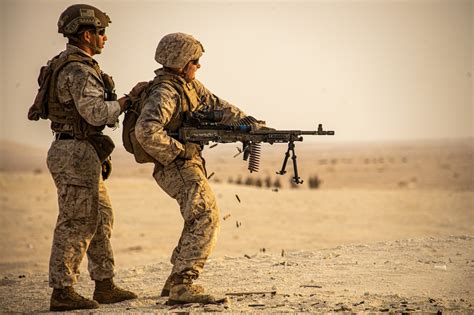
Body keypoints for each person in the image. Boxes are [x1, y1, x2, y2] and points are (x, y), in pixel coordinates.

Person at [134, 32, 268, 305]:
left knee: (197, 216)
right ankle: (183, 284)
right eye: (195, 60)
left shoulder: (189, 86)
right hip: (175, 165)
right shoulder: (165, 93)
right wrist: (180, 151)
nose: (198, 65)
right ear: (181, 61)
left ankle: (175, 281)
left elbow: (220, 107)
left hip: (187, 162)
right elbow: (146, 131)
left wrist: (253, 126)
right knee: (206, 216)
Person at [28, 4, 138, 311]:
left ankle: (104, 284)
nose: (105, 38)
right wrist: (128, 101)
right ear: (87, 35)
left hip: (80, 150)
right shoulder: (78, 69)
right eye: (101, 32)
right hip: (73, 152)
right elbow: (97, 112)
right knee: (77, 221)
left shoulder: (71, 63)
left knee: (100, 218)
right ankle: (62, 291)